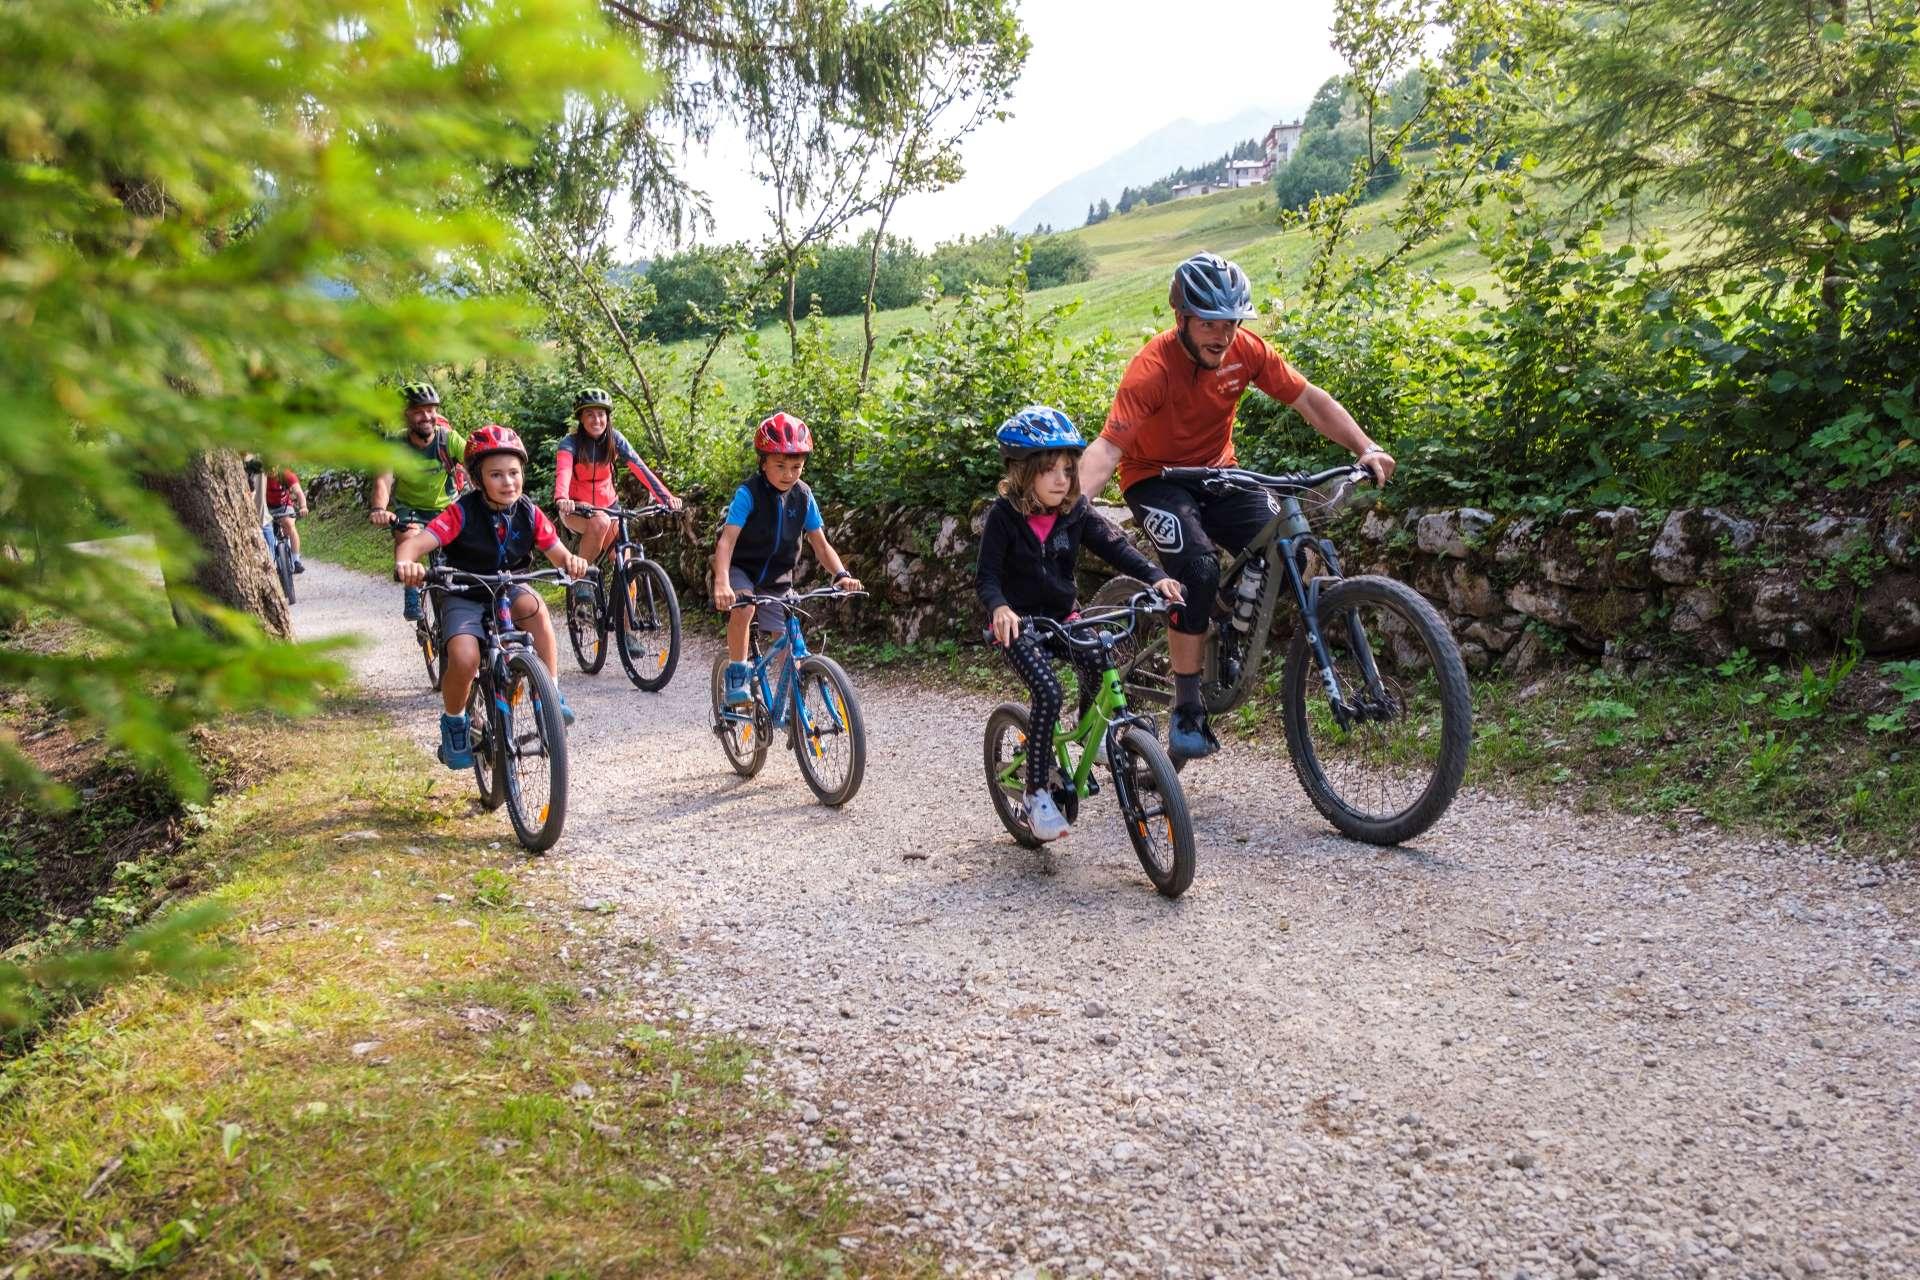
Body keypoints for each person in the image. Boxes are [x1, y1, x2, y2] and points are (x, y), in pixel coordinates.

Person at [1073, 252, 1396, 762]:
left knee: (1291, 545)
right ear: (1181, 318)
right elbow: (1110, 449)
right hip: (1156, 479)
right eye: (1208, 323)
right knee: (1198, 569)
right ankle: (1186, 709)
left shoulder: (1247, 352)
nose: (1220, 336)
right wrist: (1071, 506)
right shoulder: (1151, 370)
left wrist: (1365, 447)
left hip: (1220, 473)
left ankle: (1215, 614)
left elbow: (1309, 400)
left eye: (1229, 322)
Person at [975, 407, 1183, 841]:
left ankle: (1097, 731)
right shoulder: (1003, 517)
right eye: (1048, 470)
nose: (1061, 480)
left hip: (1064, 618)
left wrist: (1156, 576)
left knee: (1098, 658)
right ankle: (1036, 794)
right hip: (1019, 626)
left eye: (1067, 470)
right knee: (1048, 691)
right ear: (1021, 473)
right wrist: (999, 609)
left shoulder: (1076, 512)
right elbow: (988, 577)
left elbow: (1117, 548)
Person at [393, 425, 590, 769]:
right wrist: (405, 561)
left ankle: (550, 697)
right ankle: (455, 722)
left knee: (537, 610)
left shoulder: (529, 512)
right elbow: (417, 542)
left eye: (514, 473)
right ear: (478, 479)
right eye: (496, 474)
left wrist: (572, 562)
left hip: (509, 586)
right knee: (465, 657)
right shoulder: (461, 512)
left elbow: (557, 553)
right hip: (464, 590)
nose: (508, 482)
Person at [710, 412, 862, 706]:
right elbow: (726, 542)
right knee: (744, 608)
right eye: (780, 465)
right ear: (763, 462)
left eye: (796, 466)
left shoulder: (804, 496)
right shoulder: (748, 494)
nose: (788, 474)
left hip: (779, 579)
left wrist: (841, 574)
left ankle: (791, 707)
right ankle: (738, 674)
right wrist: (722, 582)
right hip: (743, 571)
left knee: (791, 647)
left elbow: (821, 545)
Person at [553, 386, 682, 603]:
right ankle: (582, 577)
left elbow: (640, 468)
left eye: (601, 414)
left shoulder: (615, 439)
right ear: (581, 419)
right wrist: (562, 498)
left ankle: (628, 633)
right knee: (600, 521)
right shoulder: (570, 443)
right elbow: (564, 472)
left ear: (607, 417)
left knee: (627, 566)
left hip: (609, 506)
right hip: (576, 508)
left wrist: (666, 497)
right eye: (590, 414)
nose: (596, 420)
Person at [370, 382, 467, 622]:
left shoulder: (448, 440)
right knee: (408, 535)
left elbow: (477, 464)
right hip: (411, 511)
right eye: (418, 411)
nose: (426, 416)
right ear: (405, 415)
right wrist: (380, 509)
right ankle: (411, 590)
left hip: (448, 508)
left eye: (431, 409)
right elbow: (384, 480)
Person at [263, 466, 308, 573]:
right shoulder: (261, 476)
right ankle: (272, 562)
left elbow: (298, 492)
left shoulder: (286, 475)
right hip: (266, 507)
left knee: (289, 524)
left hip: (284, 506)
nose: (271, 469)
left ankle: (296, 560)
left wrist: (303, 506)